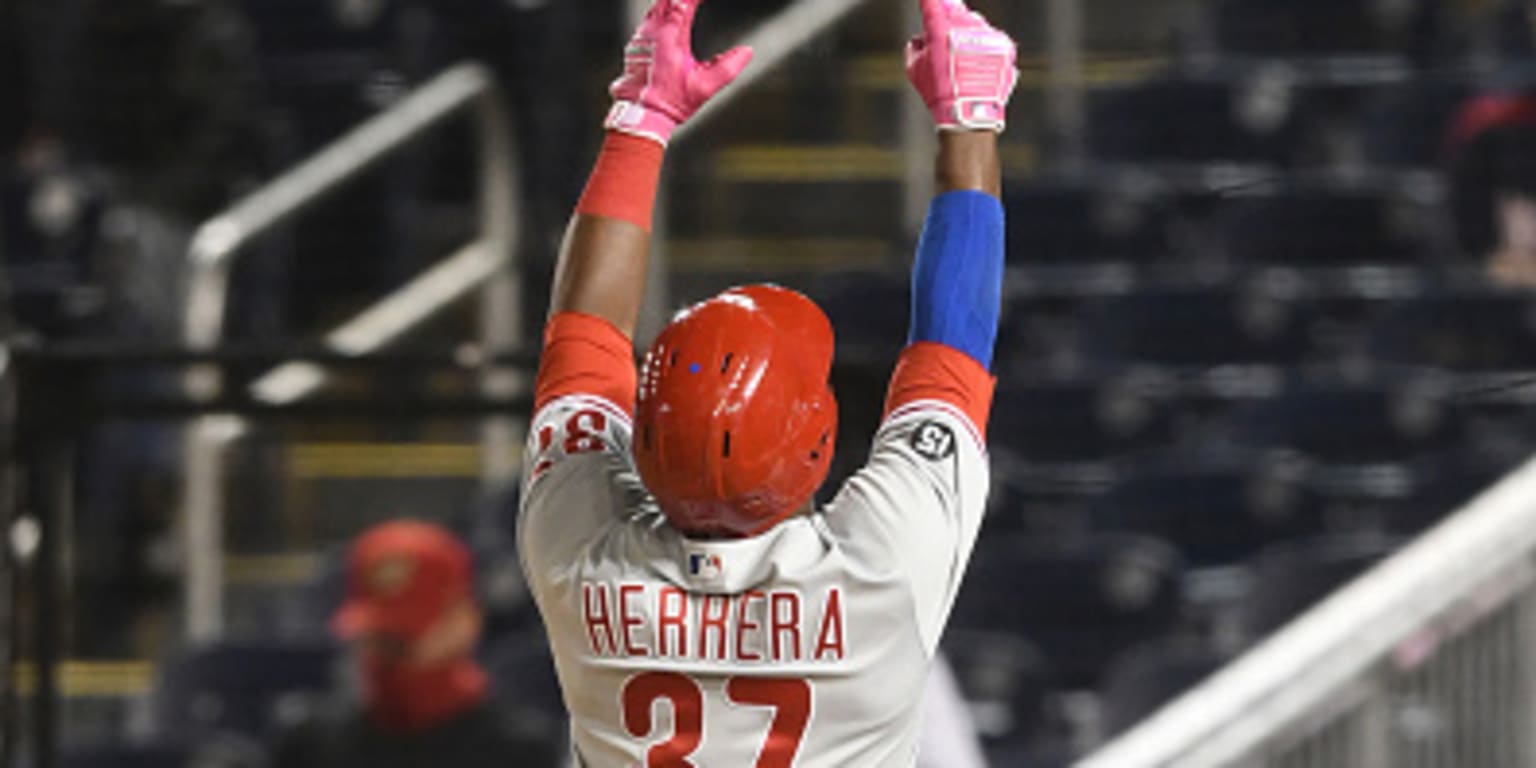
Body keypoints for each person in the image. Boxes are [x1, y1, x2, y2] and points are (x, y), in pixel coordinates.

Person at [516, 0, 1017, 763]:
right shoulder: (880, 568)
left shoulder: (580, 561)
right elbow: (952, 343)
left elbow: (584, 339)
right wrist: (969, 113)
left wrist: (641, 121)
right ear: (815, 443)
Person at [272, 520, 561, 768]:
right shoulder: (312, 746)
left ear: (463, 622)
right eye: (379, 636)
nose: (388, 654)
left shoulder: (517, 751)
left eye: (404, 637)